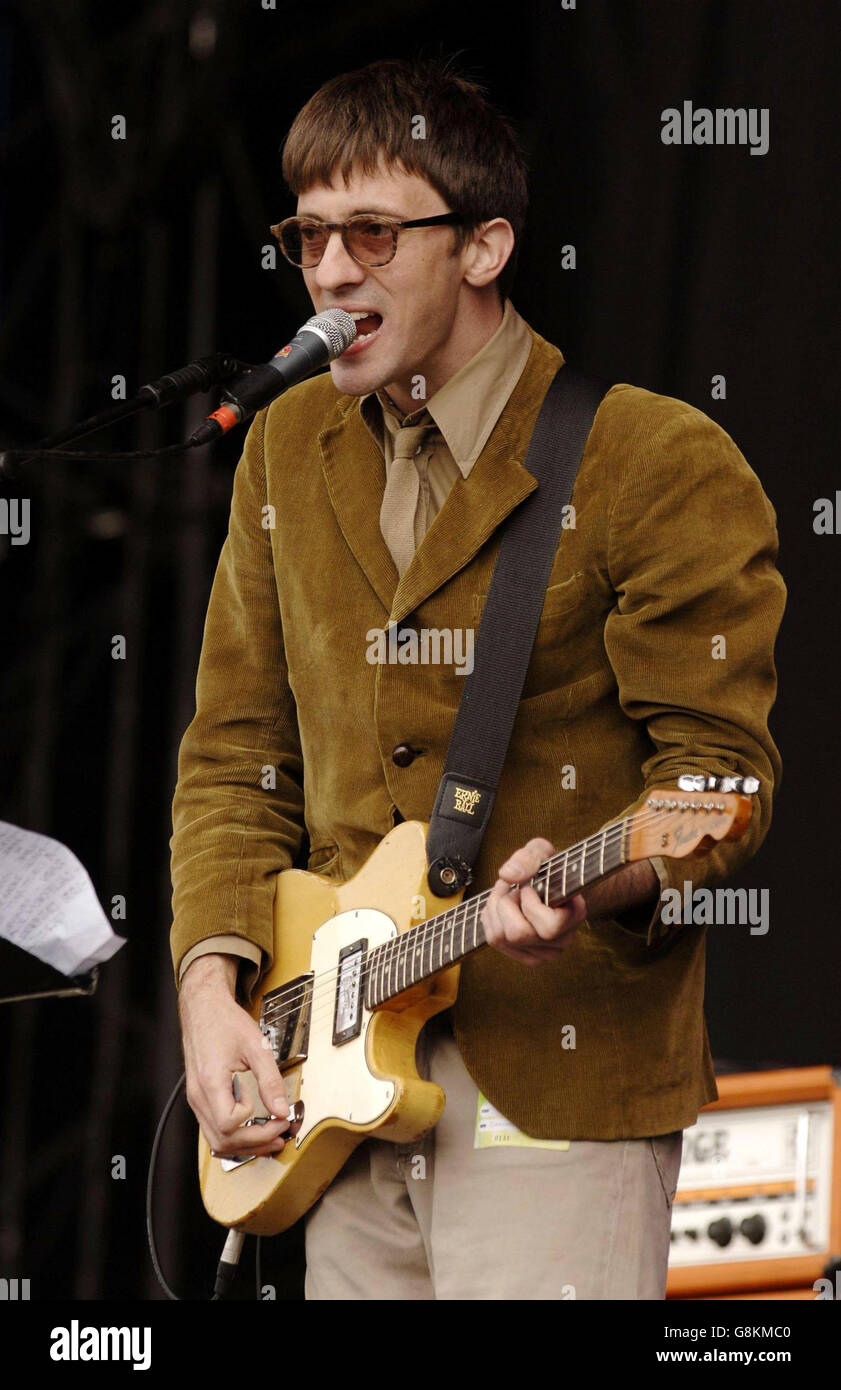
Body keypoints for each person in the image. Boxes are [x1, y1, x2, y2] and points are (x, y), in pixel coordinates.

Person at [170, 57, 786, 1300]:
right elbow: (236, 750)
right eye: (310, 237)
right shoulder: (286, 449)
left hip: (556, 1091)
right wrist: (209, 988)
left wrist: (595, 875)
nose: (332, 273)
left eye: (375, 234)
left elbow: (720, 780)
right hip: (336, 1099)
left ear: (486, 247)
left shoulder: (648, 457)